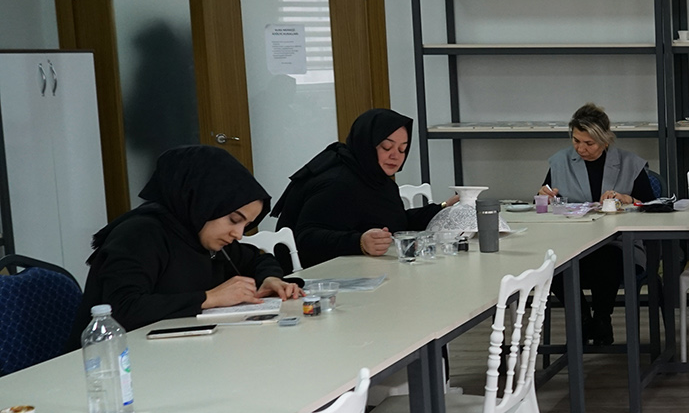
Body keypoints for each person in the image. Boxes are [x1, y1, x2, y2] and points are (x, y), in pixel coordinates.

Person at [75, 144, 303, 343]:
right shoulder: (139, 235)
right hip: (116, 361)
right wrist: (210, 298)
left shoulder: (201, 234)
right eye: (234, 220)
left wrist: (270, 279)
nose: (238, 234)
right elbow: (122, 308)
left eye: (246, 225)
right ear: (202, 202)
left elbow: (258, 259)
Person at [273, 108, 449, 268]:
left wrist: (444, 209)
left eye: (402, 149)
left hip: (359, 269)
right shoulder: (337, 182)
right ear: (366, 144)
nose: (395, 156)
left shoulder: (377, 179)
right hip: (315, 277)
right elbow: (306, 237)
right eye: (387, 147)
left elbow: (396, 222)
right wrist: (359, 243)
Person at [542, 104, 658, 345]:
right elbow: (546, 203)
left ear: (605, 140)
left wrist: (628, 199)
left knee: (605, 259)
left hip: (619, 245)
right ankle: (584, 319)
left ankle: (602, 318)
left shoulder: (629, 163)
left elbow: (652, 207)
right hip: (572, 244)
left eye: (589, 143)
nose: (581, 149)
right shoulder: (560, 162)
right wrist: (544, 198)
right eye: (576, 141)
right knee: (553, 265)